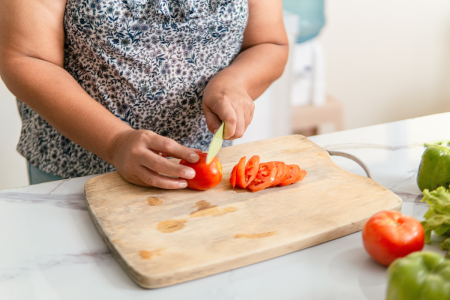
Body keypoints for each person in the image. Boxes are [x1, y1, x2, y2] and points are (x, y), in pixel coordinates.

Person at [0, 0, 288, 188]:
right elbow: (25, 58)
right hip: (76, 172)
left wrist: (235, 81)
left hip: (203, 168)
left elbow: (268, 43)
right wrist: (115, 142)